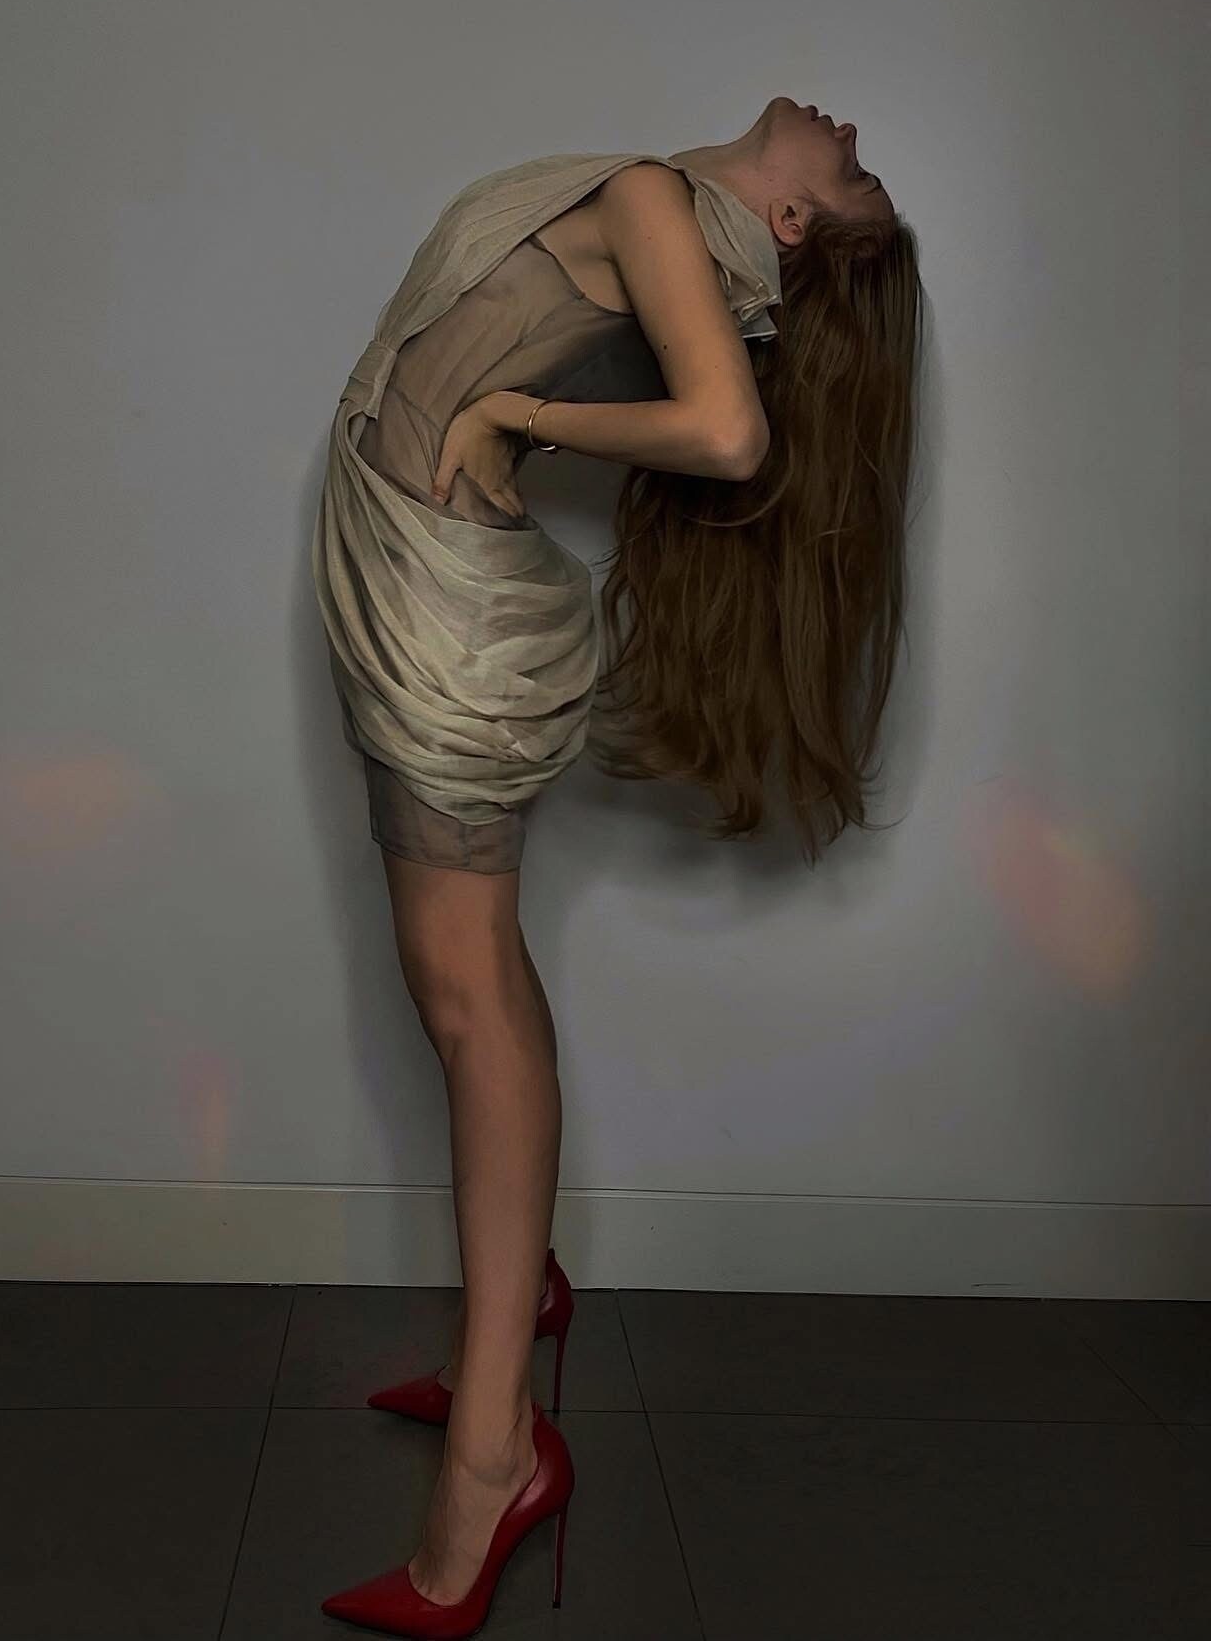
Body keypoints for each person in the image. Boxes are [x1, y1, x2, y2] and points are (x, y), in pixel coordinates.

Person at [317, 95, 923, 1636]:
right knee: (470, 982)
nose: (846, 125)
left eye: (851, 170)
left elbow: (729, 432)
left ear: (792, 221)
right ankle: (513, 1309)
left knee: (462, 1000)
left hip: (445, 624)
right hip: (421, 590)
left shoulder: (656, 199)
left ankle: (493, 1461)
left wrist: (520, 416)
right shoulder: (668, 222)